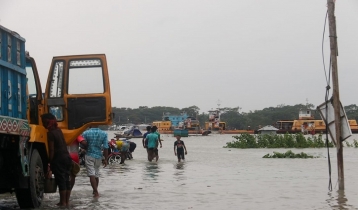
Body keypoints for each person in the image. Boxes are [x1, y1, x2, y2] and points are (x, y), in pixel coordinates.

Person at [41, 113, 72, 208]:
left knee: (61, 180)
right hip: (67, 157)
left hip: (59, 159)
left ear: (48, 122)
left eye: (44, 122)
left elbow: (51, 150)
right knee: (66, 180)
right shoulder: (59, 131)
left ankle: (62, 203)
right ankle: (66, 202)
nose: (43, 124)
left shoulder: (50, 134)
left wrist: (49, 162)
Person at [82, 126, 109, 198]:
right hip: (98, 156)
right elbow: (106, 147)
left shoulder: (86, 133)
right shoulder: (104, 133)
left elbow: (83, 144)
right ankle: (95, 191)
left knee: (91, 174)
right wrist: (105, 159)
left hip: (89, 155)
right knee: (96, 174)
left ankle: (96, 192)